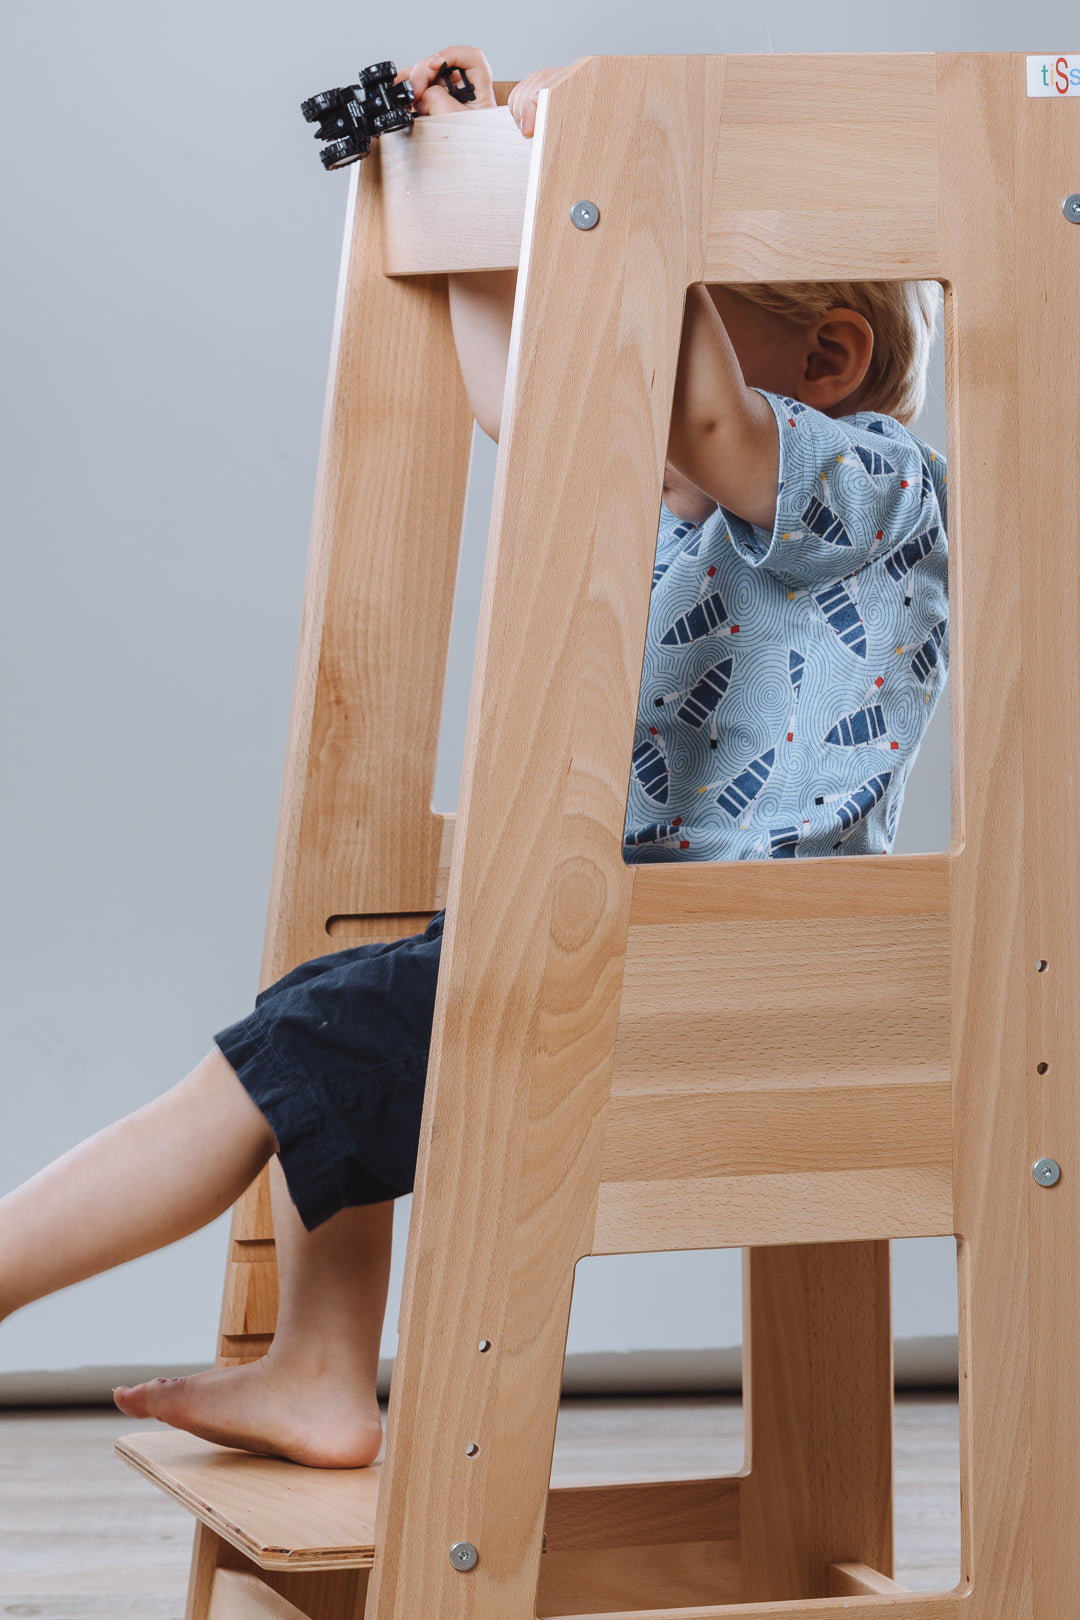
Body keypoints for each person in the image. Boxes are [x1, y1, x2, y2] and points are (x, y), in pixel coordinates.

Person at [0, 47, 947, 1469]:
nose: (611, 340)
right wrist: (451, 183)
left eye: (645, 301)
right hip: (624, 938)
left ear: (827, 359)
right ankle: (324, 1367)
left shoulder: (869, 482)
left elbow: (695, 407)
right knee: (332, 1014)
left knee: (265, 1070)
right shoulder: (690, 502)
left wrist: (613, 173)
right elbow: (535, 401)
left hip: (721, 962)